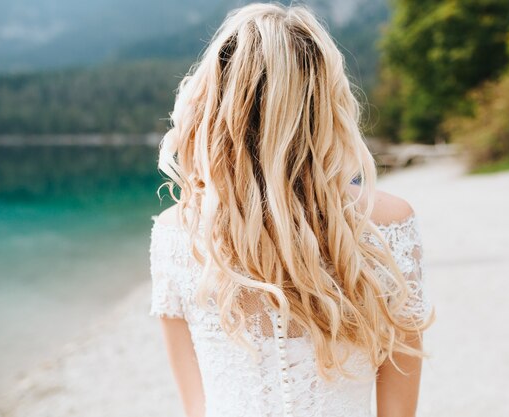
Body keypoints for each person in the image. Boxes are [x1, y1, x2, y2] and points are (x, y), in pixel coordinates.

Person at [148, 3, 436, 417]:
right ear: (326, 102)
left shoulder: (178, 233)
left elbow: (197, 407)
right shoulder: (387, 225)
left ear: (216, 104)